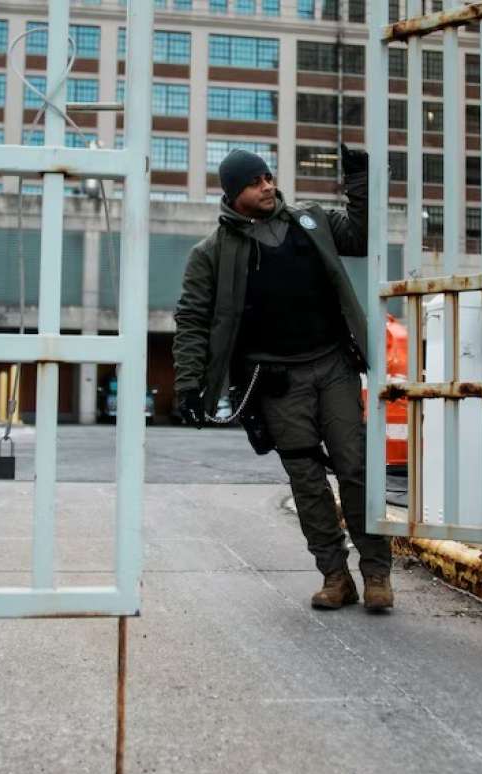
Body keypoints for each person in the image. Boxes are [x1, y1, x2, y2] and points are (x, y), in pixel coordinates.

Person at [172, 144, 393, 612]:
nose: (268, 185)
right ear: (234, 194)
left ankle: (376, 573)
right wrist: (188, 383)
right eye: (255, 182)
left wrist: (359, 181)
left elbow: (364, 234)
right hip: (274, 381)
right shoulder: (210, 254)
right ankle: (336, 576)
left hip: (333, 364)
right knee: (306, 478)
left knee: (355, 467)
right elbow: (192, 319)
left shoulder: (312, 222)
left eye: (268, 176)